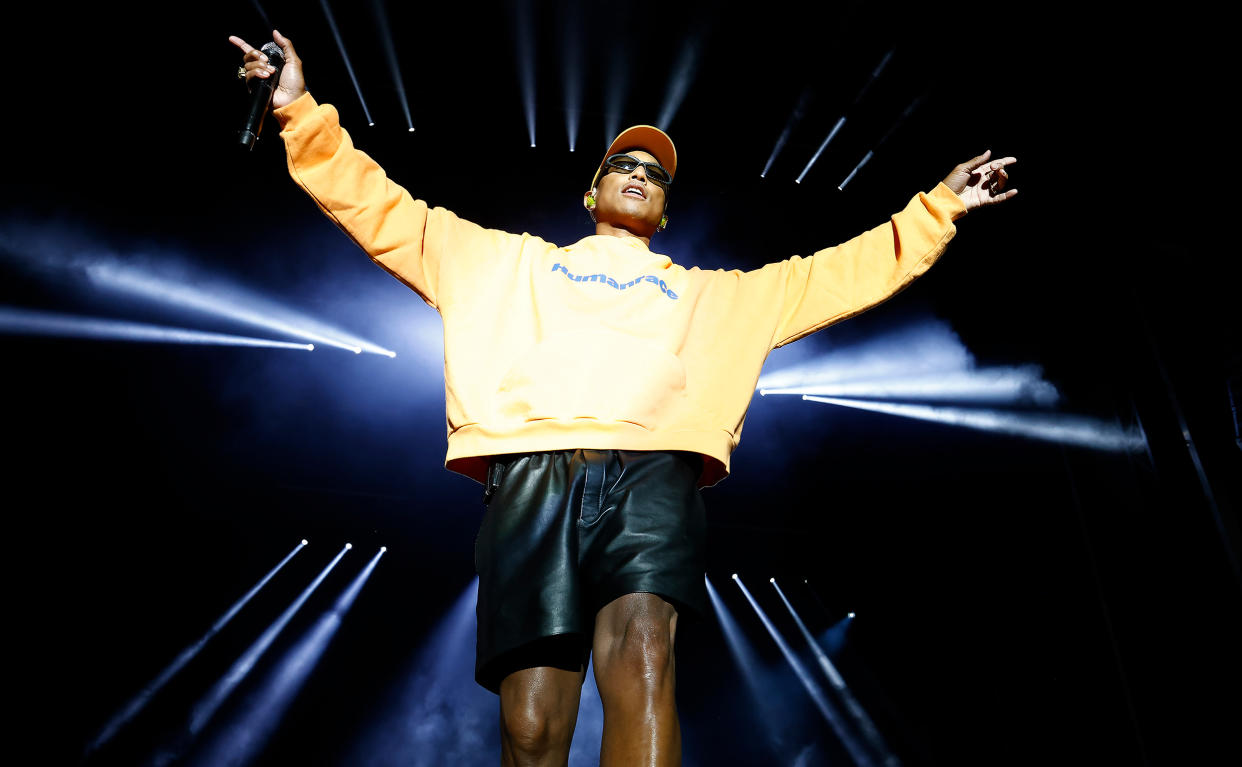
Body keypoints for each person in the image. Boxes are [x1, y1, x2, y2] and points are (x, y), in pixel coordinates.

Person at [231, 29, 1017, 767]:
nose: (640, 175)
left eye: (656, 175)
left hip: (653, 476)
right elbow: (382, 210)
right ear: (592, 192)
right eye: (624, 166)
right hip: (532, 474)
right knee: (532, 721)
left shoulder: (715, 295)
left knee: (643, 660)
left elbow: (836, 273)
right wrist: (297, 107)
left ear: (665, 210)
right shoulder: (504, 263)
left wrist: (939, 206)